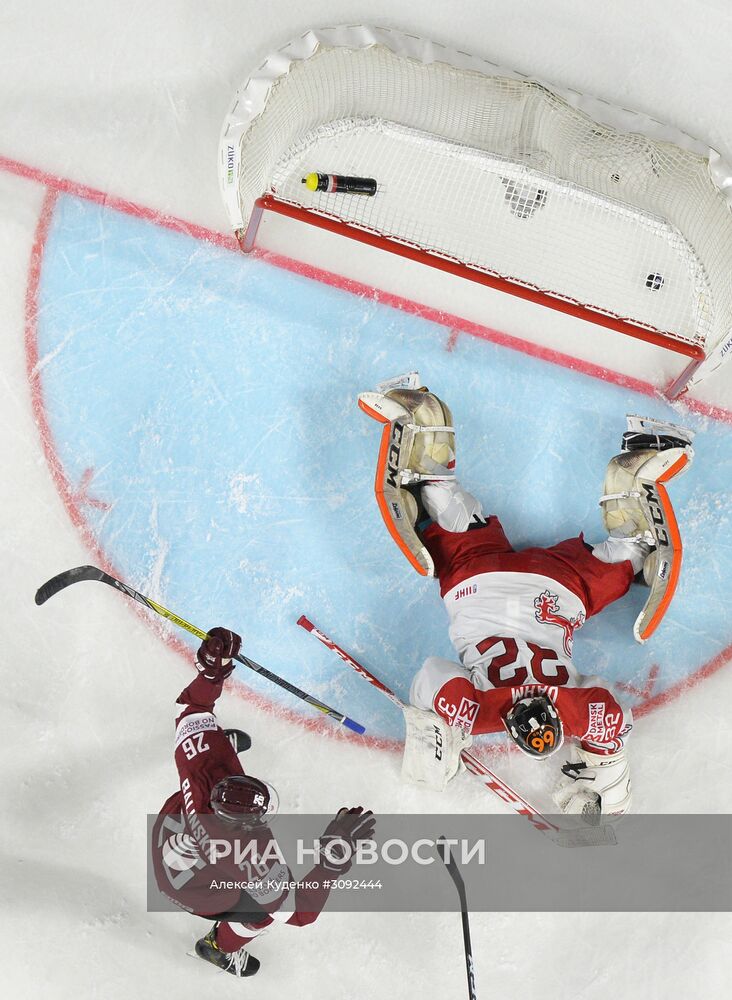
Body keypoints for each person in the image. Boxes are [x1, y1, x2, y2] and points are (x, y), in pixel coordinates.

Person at [358, 375, 694, 819]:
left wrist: (605, 765)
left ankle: (637, 470)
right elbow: (432, 674)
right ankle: (425, 430)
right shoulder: (478, 714)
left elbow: (608, 709)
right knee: (446, 504)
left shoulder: (575, 713)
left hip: (557, 590)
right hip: (479, 581)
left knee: (629, 558)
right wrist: (440, 730)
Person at [151, 627, 375, 978]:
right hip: (195, 890)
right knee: (260, 912)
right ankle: (218, 947)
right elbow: (300, 914)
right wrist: (332, 860)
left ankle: (217, 743)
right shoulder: (250, 858)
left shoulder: (204, 769)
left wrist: (211, 672)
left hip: (171, 833)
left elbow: (193, 706)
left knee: (204, 744)